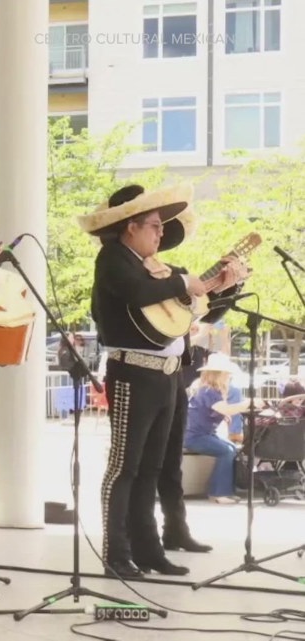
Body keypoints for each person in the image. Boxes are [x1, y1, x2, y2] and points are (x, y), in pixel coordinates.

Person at [79, 183, 244, 579]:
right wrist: (186, 283)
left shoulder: (155, 268)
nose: (159, 232)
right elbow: (138, 294)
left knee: (151, 468)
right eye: (153, 225)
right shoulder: (114, 259)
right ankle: (116, 552)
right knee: (124, 468)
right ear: (130, 228)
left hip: (165, 375)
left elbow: (187, 313)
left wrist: (223, 286)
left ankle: (148, 549)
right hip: (133, 372)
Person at [150, 211, 243, 555]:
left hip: (175, 372)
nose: (159, 235)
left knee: (171, 463)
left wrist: (230, 284)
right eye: (154, 227)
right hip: (141, 372)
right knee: (141, 465)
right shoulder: (135, 275)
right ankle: (135, 536)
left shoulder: (173, 274)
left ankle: (175, 530)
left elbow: (207, 313)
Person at [185, 353, 251, 503]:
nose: (229, 377)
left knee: (232, 448)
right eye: (226, 374)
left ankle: (221, 490)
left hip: (203, 434)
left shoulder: (209, 390)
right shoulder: (209, 391)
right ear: (218, 375)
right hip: (195, 436)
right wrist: (248, 403)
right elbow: (226, 409)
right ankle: (219, 492)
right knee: (226, 451)